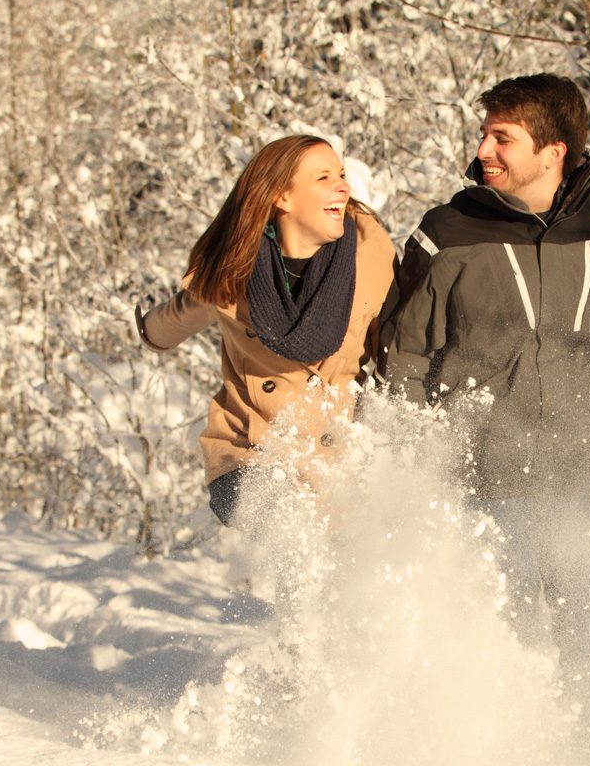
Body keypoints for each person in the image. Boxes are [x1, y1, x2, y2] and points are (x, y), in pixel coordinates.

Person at [378, 74, 590, 709]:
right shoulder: (450, 231)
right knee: (499, 669)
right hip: (486, 487)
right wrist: (401, 459)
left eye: (503, 137)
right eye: (485, 134)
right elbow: (403, 354)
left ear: (552, 151)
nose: (484, 150)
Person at [136, 135, 396, 524]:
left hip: (336, 459)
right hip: (249, 451)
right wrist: (147, 332)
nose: (342, 186)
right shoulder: (233, 268)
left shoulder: (369, 257)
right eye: (323, 178)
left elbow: (398, 351)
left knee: (337, 570)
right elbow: (180, 314)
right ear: (282, 198)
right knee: (291, 536)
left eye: (341, 175)